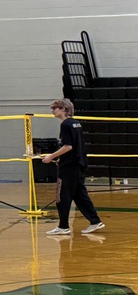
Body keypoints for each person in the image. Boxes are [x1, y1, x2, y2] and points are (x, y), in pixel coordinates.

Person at [42, 98, 104, 236]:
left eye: (55, 108)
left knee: (62, 196)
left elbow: (68, 146)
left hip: (69, 167)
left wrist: (51, 156)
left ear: (63, 109)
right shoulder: (76, 123)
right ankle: (95, 221)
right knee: (80, 196)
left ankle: (63, 226)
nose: (52, 111)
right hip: (79, 164)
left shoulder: (65, 125)